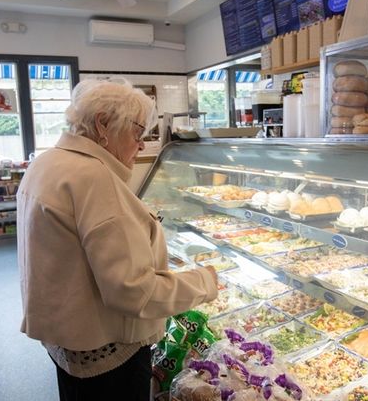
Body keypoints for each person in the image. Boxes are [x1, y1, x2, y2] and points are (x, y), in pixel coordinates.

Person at [17, 79, 218, 401]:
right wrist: (205, 282)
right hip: (108, 350)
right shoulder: (93, 177)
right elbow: (132, 291)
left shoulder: (47, 161)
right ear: (103, 125)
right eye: (138, 132)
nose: (141, 144)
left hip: (68, 340)